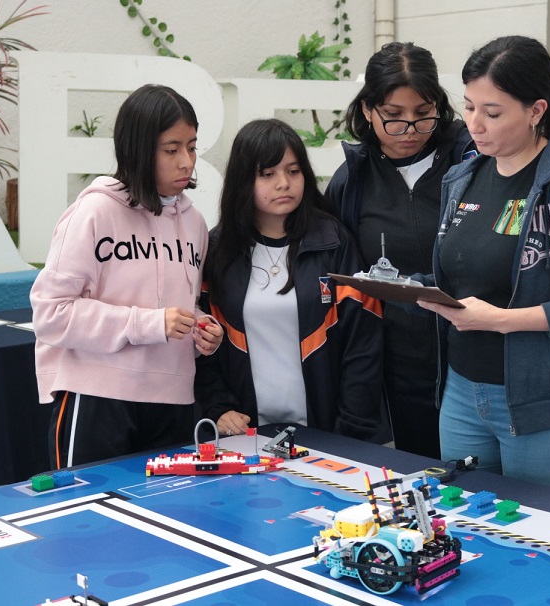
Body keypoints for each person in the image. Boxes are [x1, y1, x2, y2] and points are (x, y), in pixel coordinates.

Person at [415, 36, 550, 491]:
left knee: (536, 537)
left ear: (536, 111)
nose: (475, 124)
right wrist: (409, 288)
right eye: (469, 107)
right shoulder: (463, 178)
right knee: (463, 526)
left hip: (539, 399)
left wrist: (501, 321)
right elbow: (464, 276)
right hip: (461, 391)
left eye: (492, 113)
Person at [31, 84, 223, 469]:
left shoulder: (195, 222)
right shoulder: (95, 213)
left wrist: (203, 328)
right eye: (171, 150)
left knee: (167, 521)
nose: (187, 161)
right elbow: (50, 314)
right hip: (97, 397)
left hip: (173, 401)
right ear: (137, 149)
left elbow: (181, 305)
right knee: (87, 520)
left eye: (192, 146)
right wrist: (148, 324)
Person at [326, 42, 476, 458]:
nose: (409, 129)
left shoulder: (471, 163)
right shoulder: (351, 182)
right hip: (398, 371)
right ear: (368, 110)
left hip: (473, 361)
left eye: (423, 113)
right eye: (393, 117)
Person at [195, 118, 388, 442]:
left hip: (329, 432)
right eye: (267, 174)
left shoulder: (334, 241)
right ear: (243, 181)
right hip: (247, 434)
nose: (283, 183)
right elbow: (202, 343)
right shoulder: (217, 251)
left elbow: (364, 344)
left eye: (293, 171)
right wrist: (218, 408)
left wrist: (351, 430)